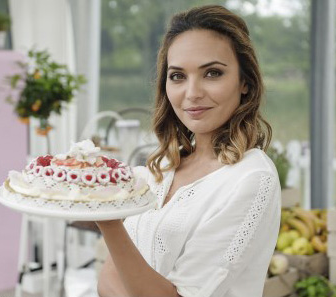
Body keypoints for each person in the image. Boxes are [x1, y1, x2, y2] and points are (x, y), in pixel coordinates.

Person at [95, 5, 281, 297]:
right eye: (178, 76)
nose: (192, 93)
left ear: (245, 82)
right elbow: (105, 284)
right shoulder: (163, 167)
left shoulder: (251, 179)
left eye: (212, 73)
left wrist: (110, 224)